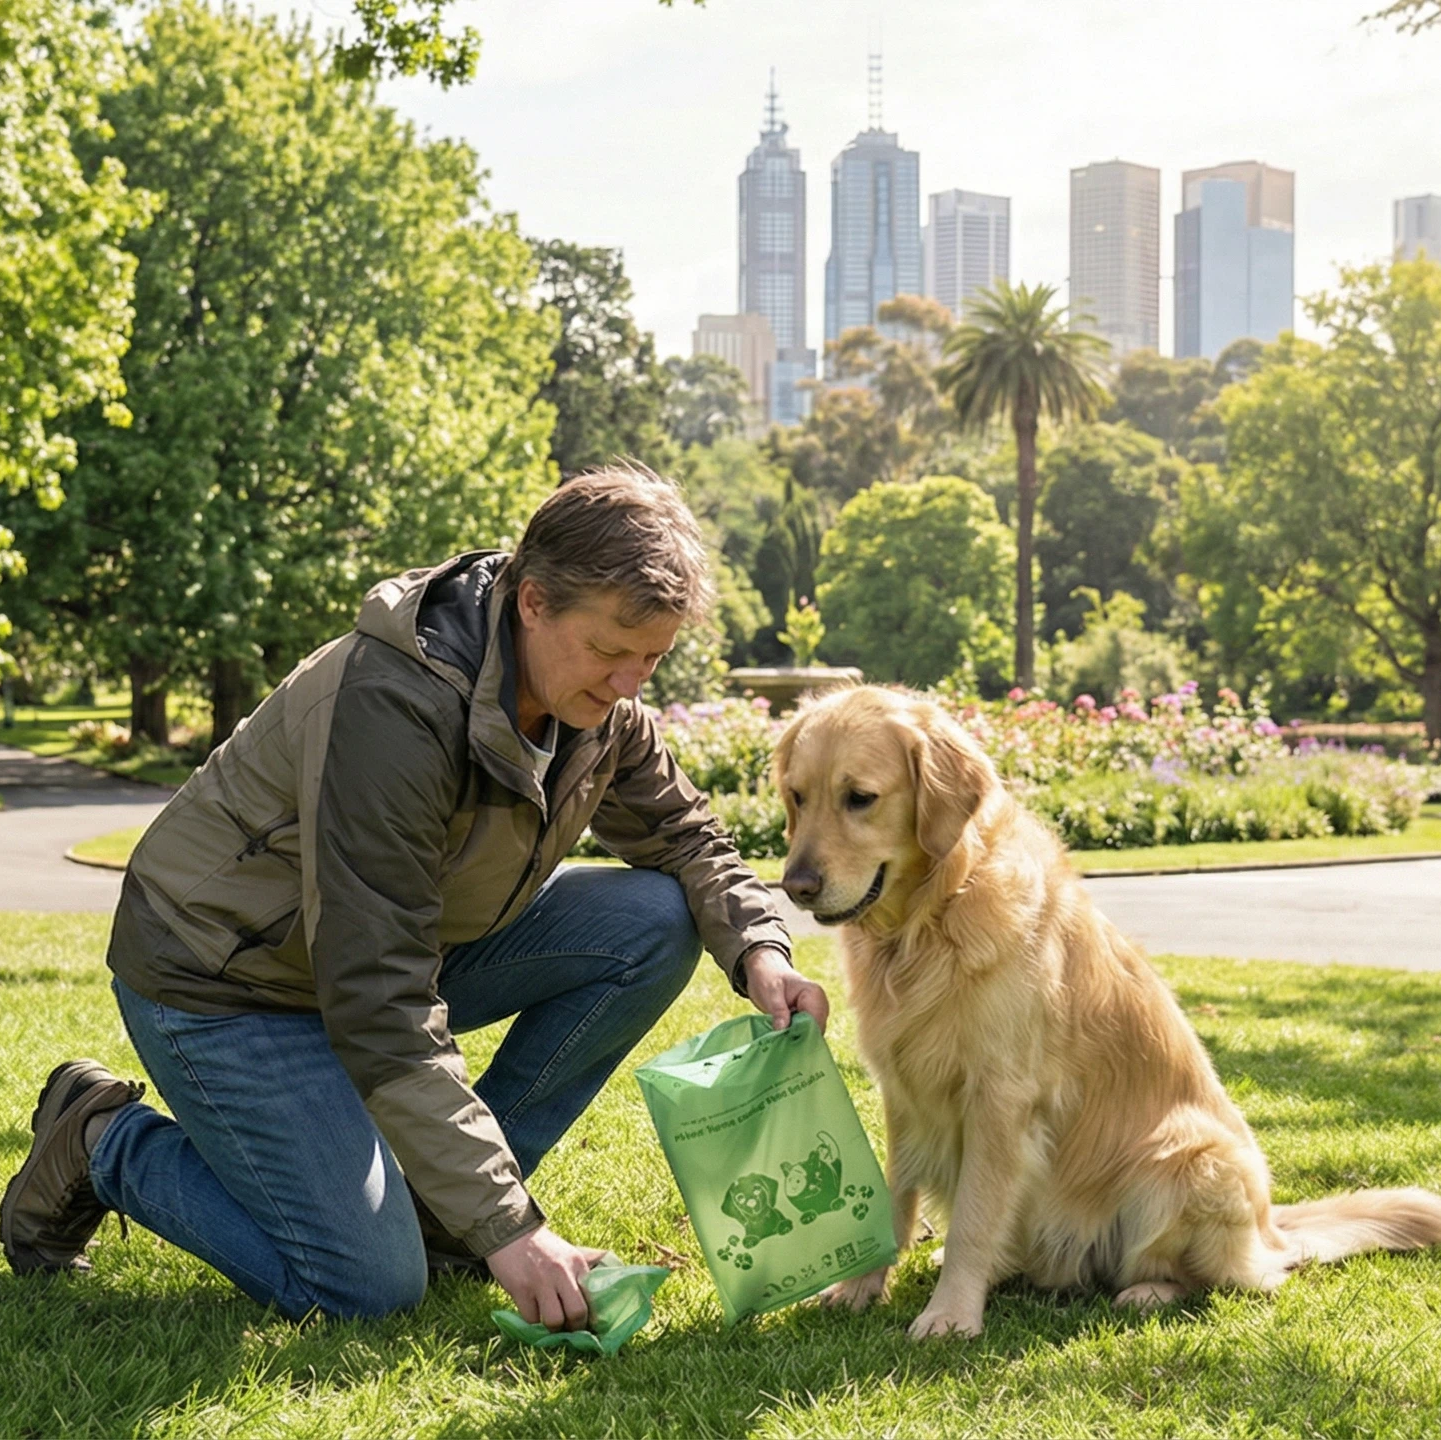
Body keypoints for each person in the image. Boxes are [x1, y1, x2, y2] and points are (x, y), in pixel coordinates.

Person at [1, 466, 827, 1332]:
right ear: (533, 602)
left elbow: (686, 838)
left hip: (382, 959)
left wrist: (760, 950)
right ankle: (100, 1141)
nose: (630, 683)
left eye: (651, 658)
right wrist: (513, 1228)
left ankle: (445, 1221)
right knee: (365, 1288)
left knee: (652, 921)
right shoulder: (393, 707)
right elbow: (378, 995)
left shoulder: (597, 706)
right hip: (225, 981)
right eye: (611, 651)